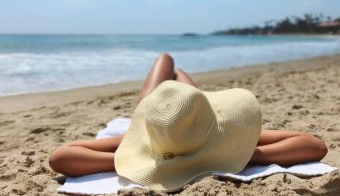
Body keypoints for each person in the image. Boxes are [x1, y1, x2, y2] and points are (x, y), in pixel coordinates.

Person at [49, 53, 328, 178]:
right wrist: (239, 153)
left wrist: (134, 156)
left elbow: (60, 157)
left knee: (167, 67)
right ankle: (178, 76)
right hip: (176, 118)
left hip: (167, 123)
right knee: (179, 84)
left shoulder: (151, 136)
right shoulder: (219, 136)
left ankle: (175, 73)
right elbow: (313, 144)